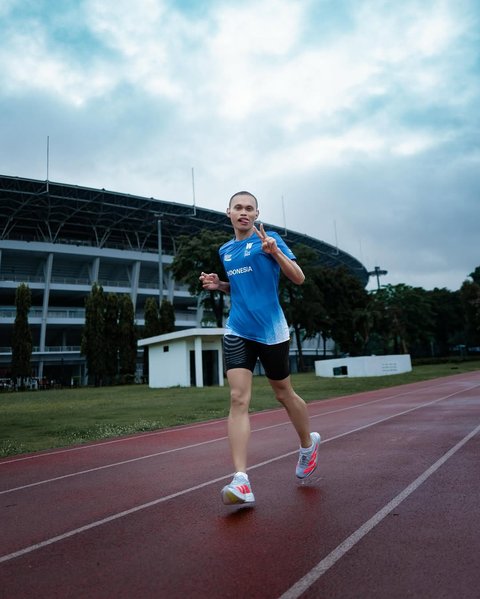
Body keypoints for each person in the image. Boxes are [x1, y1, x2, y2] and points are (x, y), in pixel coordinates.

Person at [200, 191, 320, 505]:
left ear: (256, 214)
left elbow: (299, 278)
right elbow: (241, 287)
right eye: (238, 207)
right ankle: (241, 480)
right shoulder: (225, 249)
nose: (244, 212)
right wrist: (221, 285)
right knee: (238, 398)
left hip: (271, 331)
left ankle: (308, 444)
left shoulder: (271, 239)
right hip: (238, 329)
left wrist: (275, 252)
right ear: (228, 212)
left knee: (284, 393)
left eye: (249, 208)